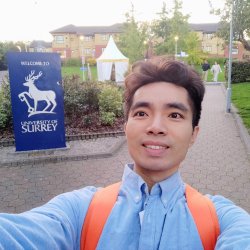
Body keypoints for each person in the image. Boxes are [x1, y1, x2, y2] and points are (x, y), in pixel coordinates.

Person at [0, 57, 250, 249]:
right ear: (126, 126)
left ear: (194, 133)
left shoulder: (221, 219)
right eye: (141, 113)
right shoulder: (79, 211)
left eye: (174, 115)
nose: (156, 127)